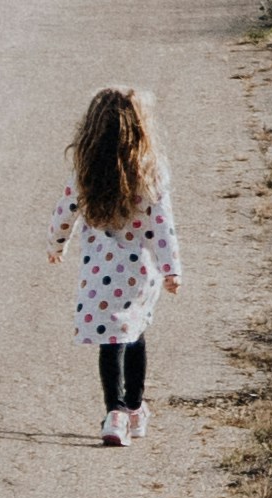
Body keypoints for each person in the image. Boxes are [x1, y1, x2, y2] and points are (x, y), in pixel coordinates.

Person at [49, 84, 180, 446]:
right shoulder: (149, 174)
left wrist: (56, 245)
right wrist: (172, 269)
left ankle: (115, 413)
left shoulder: (86, 173)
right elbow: (162, 226)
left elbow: (65, 214)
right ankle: (135, 410)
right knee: (134, 335)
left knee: (111, 341)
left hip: (99, 274)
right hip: (140, 273)